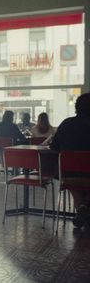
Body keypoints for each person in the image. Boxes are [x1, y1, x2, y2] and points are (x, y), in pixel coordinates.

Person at [50, 92, 90, 228]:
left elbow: (53, 147)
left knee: (74, 180)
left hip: (67, 176)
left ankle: (82, 209)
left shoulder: (66, 123)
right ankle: (85, 206)